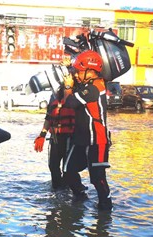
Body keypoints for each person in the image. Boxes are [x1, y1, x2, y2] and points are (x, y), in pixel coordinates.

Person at [61, 50, 113, 211]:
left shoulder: (94, 89)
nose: (76, 75)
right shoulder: (89, 84)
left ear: (90, 72)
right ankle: (80, 195)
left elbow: (69, 102)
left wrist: (68, 86)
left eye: (78, 72)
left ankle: (106, 206)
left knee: (97, 178)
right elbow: (77, 86)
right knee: (68, 171)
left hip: (97, 140)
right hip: (82, 138)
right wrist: (69, 68)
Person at [33, 57, 79, 190]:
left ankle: (71, 191)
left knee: (68, 168)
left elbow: (75, 78)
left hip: (71, 138)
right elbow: (49, 117)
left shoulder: (75, 93)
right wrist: (42, 134)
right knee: (53, 165)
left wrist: (71, 66)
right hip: (56, 139)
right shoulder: (54, 97)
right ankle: (57, 190)